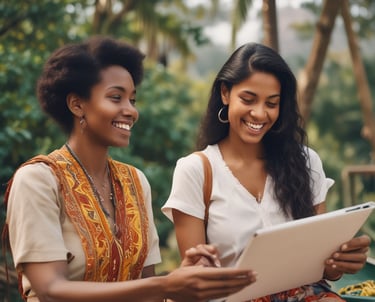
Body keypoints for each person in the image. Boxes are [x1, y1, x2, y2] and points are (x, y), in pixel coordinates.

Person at [3, 36, 257, 302]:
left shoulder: (134, 181)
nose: (130, 111)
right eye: (116, 98)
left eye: (132, 100)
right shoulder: (38, 180)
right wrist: (166, 285)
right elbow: (51, 289)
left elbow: (147, 290)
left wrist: (186, 277)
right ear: (77, 104)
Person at [162, 42, 371, 301]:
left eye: (272, 103)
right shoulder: (196, 170)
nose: (260, 114)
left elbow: (322, 268)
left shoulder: (306, 161)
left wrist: (339, 264)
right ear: (225, 93)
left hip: (304, 294)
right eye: (248, 100)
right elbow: (196, 279)